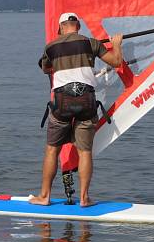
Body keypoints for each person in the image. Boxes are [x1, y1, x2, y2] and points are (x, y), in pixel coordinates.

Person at [30, 12, 123, 207]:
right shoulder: (92, 43)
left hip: (62, 103)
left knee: (52, 150)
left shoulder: (51, 47)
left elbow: (46, 69)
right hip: (86, 101)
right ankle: (84, 198)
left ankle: (44, 196)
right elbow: (116, 62)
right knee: (85, 151)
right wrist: (116, 44)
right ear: (78, 26)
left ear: (62, 27)